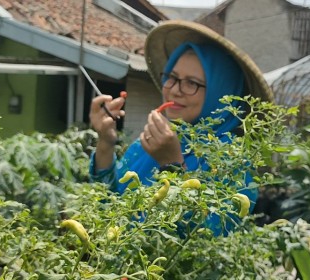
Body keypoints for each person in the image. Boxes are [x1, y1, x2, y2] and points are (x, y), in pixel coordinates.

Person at [88, 20, 273, 235]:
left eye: (192, 83)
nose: (175, 90)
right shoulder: (148, 145)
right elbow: (108, 204)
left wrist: (172, 165)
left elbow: (203, 245)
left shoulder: (233, 164)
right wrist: (105, 142)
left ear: (221, 94)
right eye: (172, 78)